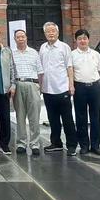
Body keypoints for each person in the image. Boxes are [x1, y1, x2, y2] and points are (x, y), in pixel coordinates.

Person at [39, 22, 78, 156]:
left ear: (57, 32)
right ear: (44, 34)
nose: (50, 33)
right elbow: (40, 69)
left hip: (62, 88)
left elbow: (69, 67)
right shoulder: (43, 47)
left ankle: (72, 145)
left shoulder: (64, 47)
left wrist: (71, 85)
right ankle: (56, 143)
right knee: (53, 119)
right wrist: (40, 85)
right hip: (47, 89)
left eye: (53, 31)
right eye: (48, 31)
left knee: (67, 119)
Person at [72, 29, 100, 156]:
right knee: (81, 117)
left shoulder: (96, 54)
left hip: (94, 87)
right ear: (76, 40)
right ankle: (84, 145)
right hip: (79, 87)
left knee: (96, 116)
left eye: (84, 38)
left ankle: (95, 146)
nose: (82, 41)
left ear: (88, 39)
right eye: (79, 38)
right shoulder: (72, 54)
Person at [12, 29, 43, 156]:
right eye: (18, 37)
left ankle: (35, 144)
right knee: (20, 116)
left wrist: (39, 87)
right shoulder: (12, 54)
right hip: (18, 84)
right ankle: (21, 143)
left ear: (26, 38)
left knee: (34, 116)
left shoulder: (34, 53)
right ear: (14, 39)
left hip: (32, 84)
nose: (20, 39)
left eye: (22, 36)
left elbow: (40, 72)